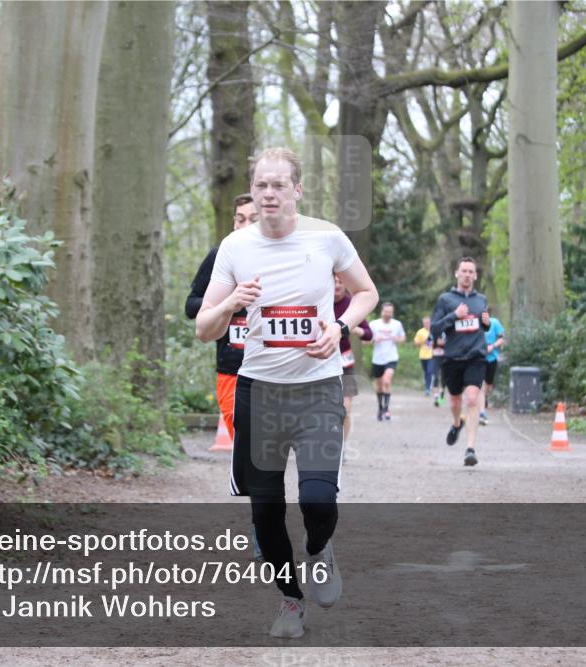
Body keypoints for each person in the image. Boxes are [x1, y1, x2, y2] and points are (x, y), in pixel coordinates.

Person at [195, 147, 378, 638]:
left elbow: (366, 293)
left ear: (297, 189)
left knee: (318, 500)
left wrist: (339, 327)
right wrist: (233, 299)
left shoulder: (327, 239)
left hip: (317, 390)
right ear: (252, 192)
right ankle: (291, 601)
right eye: (261, 185)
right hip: (260, 394)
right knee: (266, 511)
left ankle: (319, 549)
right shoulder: (235, 248)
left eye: (279, 184)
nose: (269, 193)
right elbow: (203, 327)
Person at [185, 194, 258, 440]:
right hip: (231, 367)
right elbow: (191, 305)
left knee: (265, 450)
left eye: (253, 219)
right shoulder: (219, 256)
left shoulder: (279, 258)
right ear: (234, 223)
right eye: (240, 219)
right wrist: (229, 304)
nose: (245, 225)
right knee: (242, 445)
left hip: (270, 369)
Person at [430, 257, 491, 467]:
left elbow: (483, 327)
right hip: (452, 357)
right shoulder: (445, 299)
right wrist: (454, 316)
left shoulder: (481, 299)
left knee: (472, 399)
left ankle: (470, 449)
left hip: (476, 356)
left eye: (471, 271)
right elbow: (435, 329)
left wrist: (487, 324)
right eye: (463, 271)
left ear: (475, 275)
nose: (467, 275)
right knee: (455, 401)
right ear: (456, 273)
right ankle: (457, 423)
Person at [334, 275, 373, 443]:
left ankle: (342, 445)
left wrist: (354, 328)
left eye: (341, 282)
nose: (337, 285)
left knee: (345, 407)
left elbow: (368, 334)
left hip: (345, 362)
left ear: (345, 284)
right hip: (321, 361)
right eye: (334, 281)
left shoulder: (351, 304)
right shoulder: (320, 300)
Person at [368, 302, 405, 421]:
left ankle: (387, 409)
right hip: (377, 359)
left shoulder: (397, 324)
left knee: (387, 381)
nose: (388, 314)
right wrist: (374, 340)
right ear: (382, 312)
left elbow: (403, 338)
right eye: (386, 312)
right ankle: (380, 408)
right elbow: (365, 341)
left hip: (391, 357)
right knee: (379, 385)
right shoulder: (374, 324)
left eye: (390, 312)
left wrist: (397, 339)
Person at [479, 316, 506, 425]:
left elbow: (502, 339)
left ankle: (484, 396)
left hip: (492, 358)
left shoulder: (495, 323)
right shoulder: (476, 323)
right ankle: (481, 409)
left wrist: (492, 346)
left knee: (489, 384)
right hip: (479, 358)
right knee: (481, 384)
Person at [413, 316, 435, 395]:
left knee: (430, 371)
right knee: (426, 372)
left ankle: (428, 388)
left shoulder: (434, 330)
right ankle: (427, 385)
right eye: (425, 323)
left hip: (432, 355)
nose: (427, 324)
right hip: (423, 355)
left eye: (428, 323)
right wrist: (423, 341)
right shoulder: (420, 332)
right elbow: (416, 343)